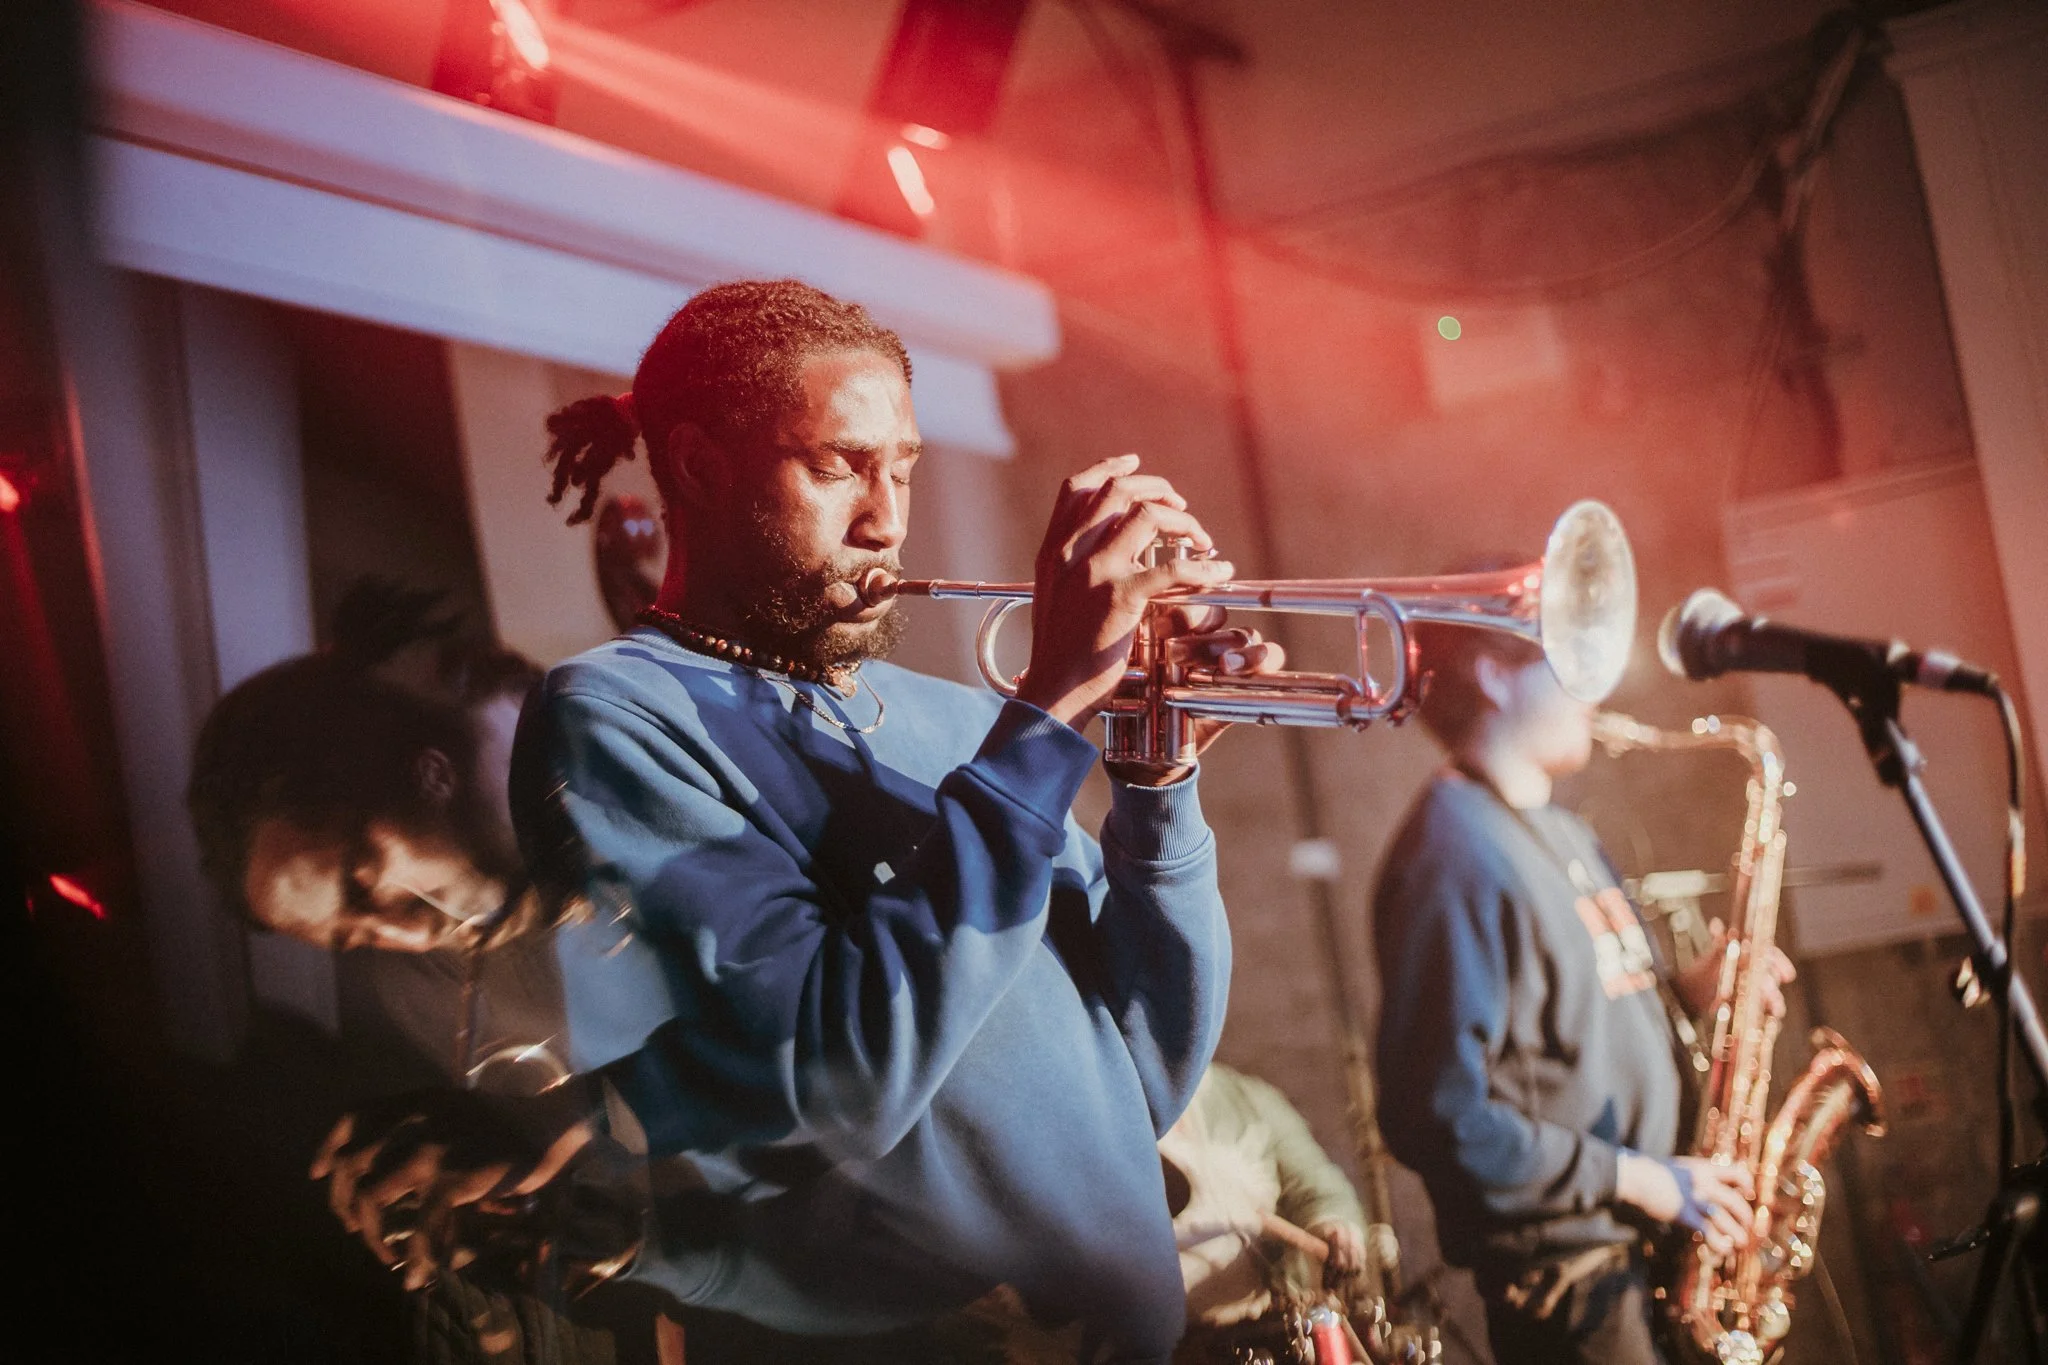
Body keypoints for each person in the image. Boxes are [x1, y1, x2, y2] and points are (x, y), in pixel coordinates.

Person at [319, 279, 1285, 1363]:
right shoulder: (618, 712)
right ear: (696, 468)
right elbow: (836, 1078)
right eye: (836, 465)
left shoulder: (967, 722)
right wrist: (1049, 708)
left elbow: (1142, 1077)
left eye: (903, 468)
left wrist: (1154, 791)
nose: (885, 518)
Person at [186, 587, 632, 1364]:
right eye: (356, 935)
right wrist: (532, 1225)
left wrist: (564, 1125)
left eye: (364, 880)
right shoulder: (426, 983)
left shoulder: (659, 757)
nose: (405, 930)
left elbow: (841, 1051)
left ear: (418, 768)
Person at [1369, 575, 1793, 1365]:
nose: (1592, 686)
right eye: (1568, 656)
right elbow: (1437, 1115)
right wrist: (1637, 1178)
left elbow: (1571, 1029)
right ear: (1494, 673)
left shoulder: (1562, 831)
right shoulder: (1450, 857)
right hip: (1576, 1288)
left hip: (1658, 1254)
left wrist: (1698, 993)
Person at [1159, 1063, 1366, 1346]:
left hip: (1276, 1319)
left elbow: (1321, 1188)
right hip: (1180, 1343)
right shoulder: (1110, 1120)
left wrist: (1335, 1228)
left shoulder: (1252, 1099)